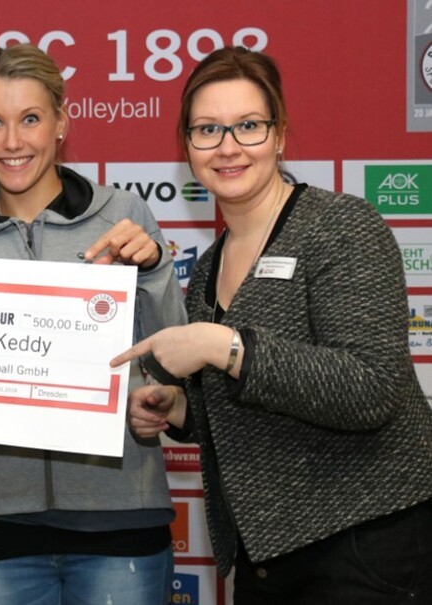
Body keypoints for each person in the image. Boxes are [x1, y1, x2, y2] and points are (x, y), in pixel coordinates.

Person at [112, 46, 432, 603]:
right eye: (207, 129)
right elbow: (248, 405)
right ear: (187, 147)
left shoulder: (340, 226)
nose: (228, 146)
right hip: (265, 557)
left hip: (367, 545)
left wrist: (225, 345)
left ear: (279, 134)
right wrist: (177, 410)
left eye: (248, 126)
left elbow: (373, 388)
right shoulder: (208, 267)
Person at [0, 44, 186, 605]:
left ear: (61, 123)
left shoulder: (125, 217)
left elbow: (174, 357)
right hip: (0, 528)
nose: (12, 142)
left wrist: (154, 270)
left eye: (30, 119)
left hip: (121, 519)